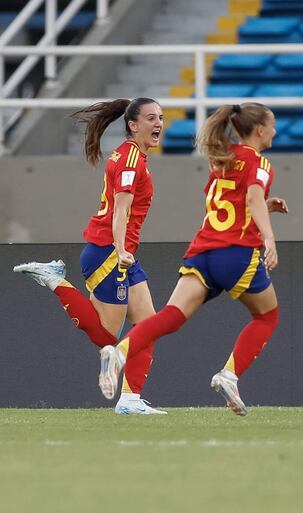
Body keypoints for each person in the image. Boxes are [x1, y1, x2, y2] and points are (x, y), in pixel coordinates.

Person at [96, 102, 287, 416]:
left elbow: (235, 202)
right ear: (259, 130)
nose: (275, 131)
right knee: (267, 317)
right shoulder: (260, 163)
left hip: (202, 253)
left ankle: (118, 352)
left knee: (170, 316)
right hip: (236, 253)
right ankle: (229, 375)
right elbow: (251, 196)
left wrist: (266, 207)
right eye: (272, 124)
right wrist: (268, 236)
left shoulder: (222, 160)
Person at [13, 98, 166, 415]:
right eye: (151, 118)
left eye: (161, 118)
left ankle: (130, 400)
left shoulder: (132, 155)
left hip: (117, 251)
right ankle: (55, 281)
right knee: (109, 337)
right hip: (111, 252)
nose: (159, 123)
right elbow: (121, 209)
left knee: (149, 324)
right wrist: (122, 249)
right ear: (132, 125)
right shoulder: (130, 160)